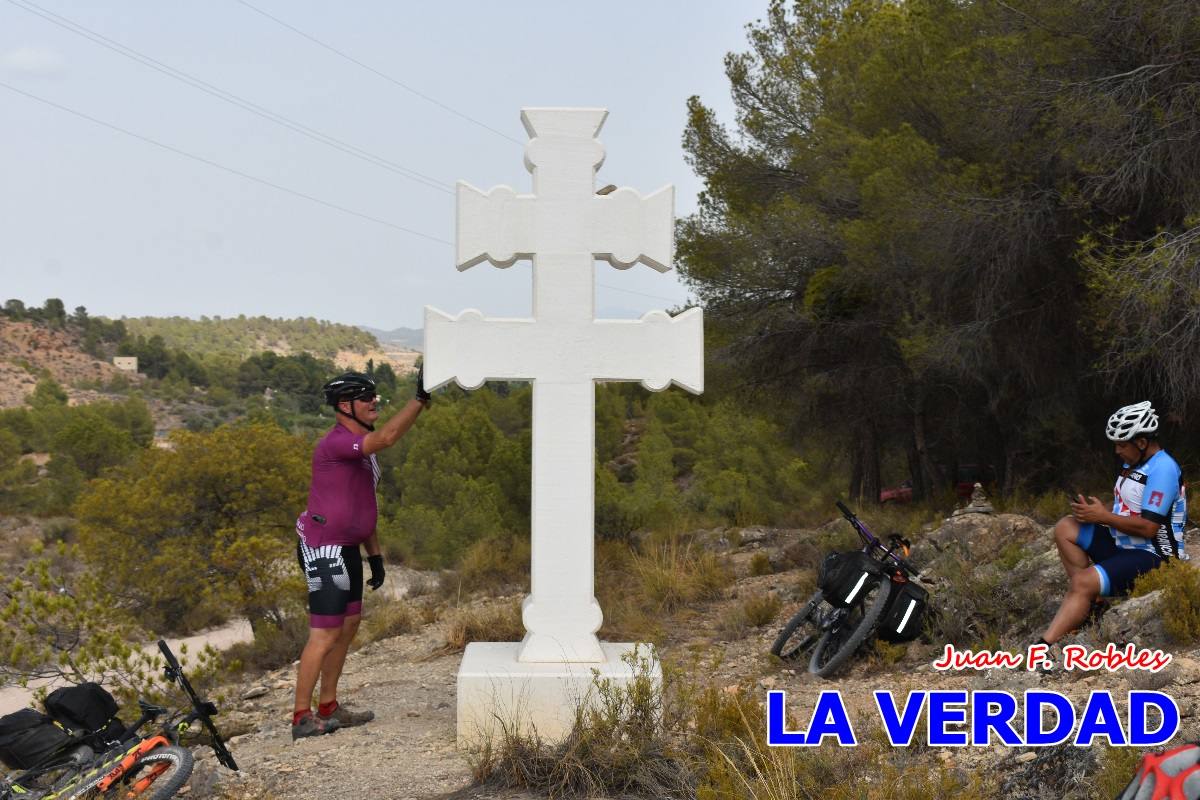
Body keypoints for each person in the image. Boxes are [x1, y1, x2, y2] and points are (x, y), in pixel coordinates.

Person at [291, 368, 431, 739]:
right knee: (324, 633)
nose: (374, 403)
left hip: (349, 547)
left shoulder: (362, 454)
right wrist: (420, 400)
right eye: (366, 397)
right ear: (344, 405)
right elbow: (387, 437)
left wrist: (376, 556)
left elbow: (361, 506)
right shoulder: (336, 443)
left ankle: (329, 705)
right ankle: (302, 717)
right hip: (325, 549)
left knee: (349, 626)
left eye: (375, 396)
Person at [1038, 401, 1188, 649]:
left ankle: (1043, 647)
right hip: (1124, 545)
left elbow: (1149, 528)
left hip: (1156, 556)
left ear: (1141, 442)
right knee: (1066, 527)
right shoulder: (1134, 463)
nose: (1117, 450)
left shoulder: (1163, 469)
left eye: (1121, 444)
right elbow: (1127, 506)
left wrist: (1102, 517)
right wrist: (1092, 512)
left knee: (1082, 581)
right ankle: (1091, 605)